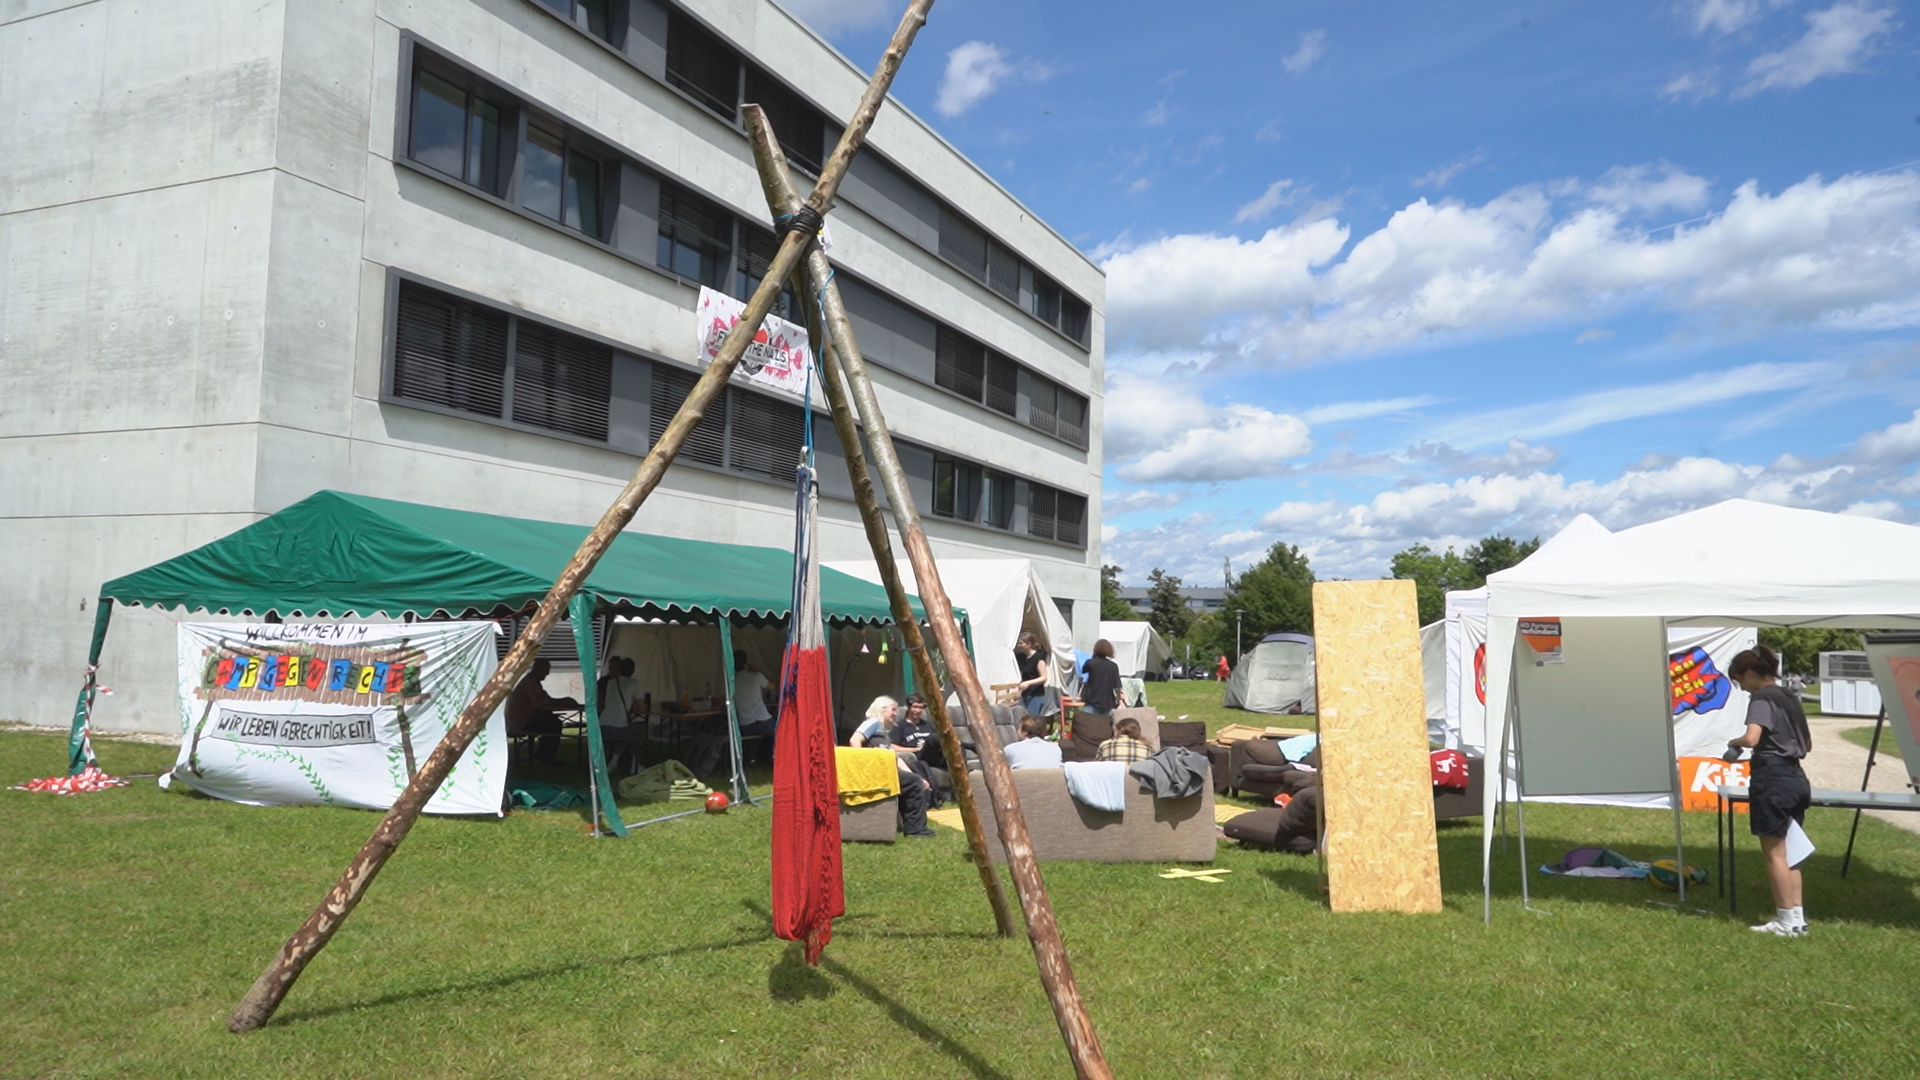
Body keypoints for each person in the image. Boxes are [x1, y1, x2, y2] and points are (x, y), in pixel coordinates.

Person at [1727, 644, 1814, 937]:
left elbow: (1752, 738)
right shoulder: (1789, 696)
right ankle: (1797, 919)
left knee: (1775, 854)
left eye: (1741, 681)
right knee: (1792, 852)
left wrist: (1735, 741)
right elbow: (1808, 744)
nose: (1743, 688)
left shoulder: (1762, 698)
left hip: (1772, 778)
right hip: (1796, 777)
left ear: (1750, 673)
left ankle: (1785, 921)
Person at [852, 696, 933, 837]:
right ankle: (916, 829)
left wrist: (918, 777)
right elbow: (855, 740)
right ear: (882, 710)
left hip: (887, 771)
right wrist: (862, 765)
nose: (896, 713)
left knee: (914, 781)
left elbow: (894, 757)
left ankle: (913, 826)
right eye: (893, 710)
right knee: (913, 783)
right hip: (875, 772)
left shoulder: (883, 733)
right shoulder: (873, 722)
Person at [506, 658, 580, 765]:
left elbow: (546, 700)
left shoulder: (532, 682)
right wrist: (562, 702)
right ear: (538, 668)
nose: (548, 673)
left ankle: (544, 752)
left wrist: (563, 701)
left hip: (525, 720)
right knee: (553, 723)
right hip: (521, 722)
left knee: (551, 720)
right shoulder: (530, 682)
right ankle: (547, 755)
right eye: (546, 670)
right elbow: (540, 704)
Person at [731, 651, 775, 738]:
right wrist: (757, 670)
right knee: (780, 732)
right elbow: (772, 686)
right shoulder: (756, 676)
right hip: (763, 721)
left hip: (745, 725)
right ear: (745, 663)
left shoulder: (732, 682)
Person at [1080, 639, 1123, 715]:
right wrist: (1118, 700)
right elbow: (1117, 687)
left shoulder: (1090, 663)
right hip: (1107, 703)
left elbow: (1083, 670)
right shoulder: (1113, 666)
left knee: (1088, 724)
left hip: (1092, 700)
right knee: (1105, 725)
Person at [1014, 631, 1049, 718]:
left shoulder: (1038, 658)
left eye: (1021, 643)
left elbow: (1044, 677)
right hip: (1026, 695)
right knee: (1024, 718)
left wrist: (1028, 683)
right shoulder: (1024, 658)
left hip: (1036, 696)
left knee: (1031, 721)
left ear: (1028, 644)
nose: (1018, 645)